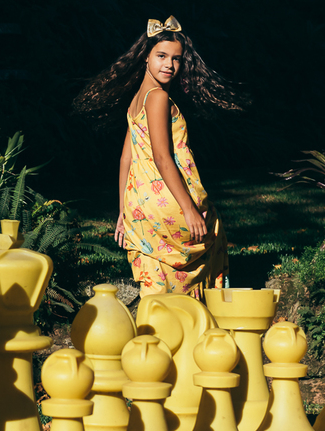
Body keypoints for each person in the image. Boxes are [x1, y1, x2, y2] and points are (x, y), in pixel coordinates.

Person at [73, 16, 247, 298]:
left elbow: (125, 159)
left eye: (176, 59)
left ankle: (156, 321)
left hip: (139, 204)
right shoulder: (158, 98)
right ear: (145, 56)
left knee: (154, 274)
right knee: (211, 231)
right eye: (162, 56)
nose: (169, 65)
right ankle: (200, 311)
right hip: (166, 200)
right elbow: (163, 157)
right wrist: (189, 209)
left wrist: (124, 212)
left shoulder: (135, 101)